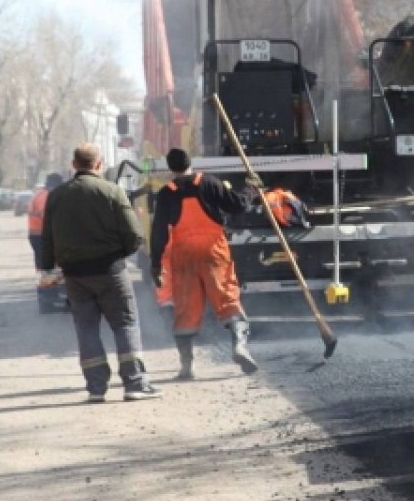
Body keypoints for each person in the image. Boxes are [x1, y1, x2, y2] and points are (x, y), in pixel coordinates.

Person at [38, 144, 159, 403]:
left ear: (74, 164)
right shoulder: (111, 191)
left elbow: (46, 236)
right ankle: (134, 384)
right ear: (99, 164)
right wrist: (119, 256)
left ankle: (95, 388)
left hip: (74, 276)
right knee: (125, 323)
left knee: (86, 328)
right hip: (111, 271)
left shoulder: (57, 195)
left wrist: (48, 267)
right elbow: (135, 235)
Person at [150, 148, 258, 380]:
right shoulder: (209, 183)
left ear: (171, 169)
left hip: (184, 254)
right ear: (191, 163)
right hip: (214, 251)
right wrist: (251, 189)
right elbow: (237, 205)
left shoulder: (166, 194)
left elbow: (158, 231)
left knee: (186, 310)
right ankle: (239, 346)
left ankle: (187, 366)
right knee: (227, 297)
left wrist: (156, 264)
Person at [27, 172, 63, 269]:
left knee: (42, 265)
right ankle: (46, 281)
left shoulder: (39, 194)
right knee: (48, 267)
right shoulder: (46, 196)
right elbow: (47, 217)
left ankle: (44, 280)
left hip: (37, 235)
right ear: (55, 186)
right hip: (42, 236)